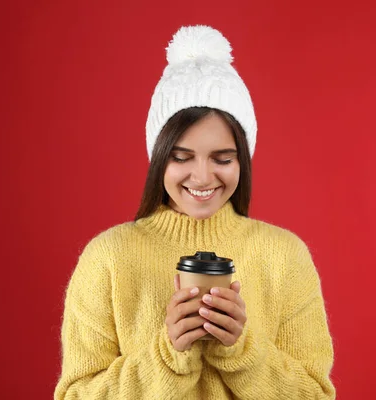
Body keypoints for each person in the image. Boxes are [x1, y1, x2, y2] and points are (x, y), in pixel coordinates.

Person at [54, 25, 336, 399]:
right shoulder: (108, 258)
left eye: (222, 158)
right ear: (158, 159)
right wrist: (167, 356)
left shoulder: (285, 257)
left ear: (243, 161)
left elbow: (316, 395)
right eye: (181, 158)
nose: (202, 177)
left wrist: (243, 351)